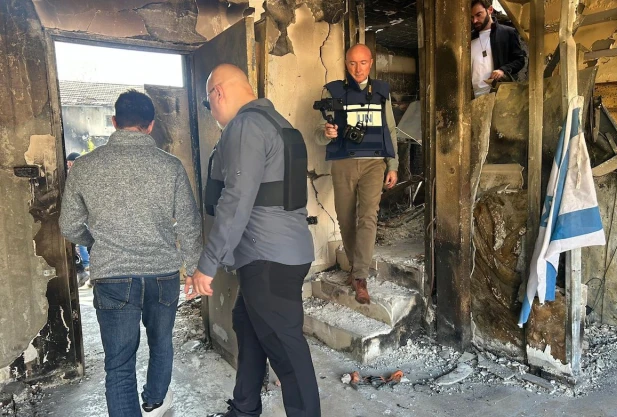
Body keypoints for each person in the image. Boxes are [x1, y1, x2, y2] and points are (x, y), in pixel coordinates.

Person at [59, 90, 203, 417]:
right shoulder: (170, 166)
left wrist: (95, 243)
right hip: (163, 274)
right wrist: (194, 268)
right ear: (150, 125)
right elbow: (189, 222)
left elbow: (69, 225)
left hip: (112, 275)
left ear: (114, 122)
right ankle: (154, 402)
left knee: (119, 364)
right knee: (161, 343)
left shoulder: (85, 167)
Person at [187, 64, 320, 417]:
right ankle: (244, 408)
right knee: (248, 328)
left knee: (287, 352)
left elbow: (236, 199)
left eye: (208, 103)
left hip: (267, 258)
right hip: (281, 252)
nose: (212, 111)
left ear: (218, 92)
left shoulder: (245, 126)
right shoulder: (279, 124)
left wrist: (207, 265)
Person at [315, 43, 398, 304]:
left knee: (368, 216)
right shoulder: (333, 91)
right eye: (352, 63)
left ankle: (360, 276)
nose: (358, 68)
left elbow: (390, 130)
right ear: (346, 64)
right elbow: (318, 133)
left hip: (375, 163)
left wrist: (393, 165)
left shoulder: (381, 91)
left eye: (363, 63)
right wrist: (326, 133)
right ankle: (354, 266)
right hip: (343, 163)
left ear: (370, 63)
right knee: (345, 218)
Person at [471, 0, 526, 98]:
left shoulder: (507, 33)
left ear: (490, 10)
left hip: (498, 95)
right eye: (472, 17)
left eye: (478, 15)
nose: (475, 20)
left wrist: (503, 70)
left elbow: (519, 60)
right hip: (473, 98)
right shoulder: (468, 39)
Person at [66, 151, 91, 286]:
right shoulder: (70, 176)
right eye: (68, 164)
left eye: (71, 163)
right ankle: (82, 271)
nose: (70, 166)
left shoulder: (84, 176)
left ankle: (85, 271)